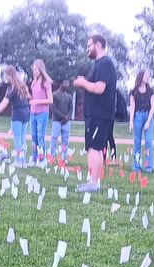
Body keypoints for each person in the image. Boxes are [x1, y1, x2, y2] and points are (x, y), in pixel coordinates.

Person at [72, 33, 116, 193]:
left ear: (98, 45)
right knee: (95, 148)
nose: (87, 49)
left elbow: (99, 88)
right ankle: (92, 181)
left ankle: (94, 183)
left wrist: (83, 82)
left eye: (89, 45)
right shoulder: (100, 64)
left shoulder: (104, 63)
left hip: (98, 114)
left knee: (93, 147)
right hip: (96, 113)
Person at [0, 65, 30, 167]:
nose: (5, 78)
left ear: (10, 75)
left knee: (17, 139)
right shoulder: (22, 86)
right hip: (26, 114)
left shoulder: (12, 88)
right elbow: (27, 98)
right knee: (22, 139)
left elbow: (4, 103)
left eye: (6, 75)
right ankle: (22, 161)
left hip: (18, 115)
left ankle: (18, 161)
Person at [129, 69, 154, 172]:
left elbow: (153, 107)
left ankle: (149, 167)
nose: (148, 77)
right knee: (137, 142)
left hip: (147, 116)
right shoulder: (134, 92)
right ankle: (136, 166)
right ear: (141, 76)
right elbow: (132, 107)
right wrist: (131, 121)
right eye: (146, 75)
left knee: (148, 141)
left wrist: (148, 121)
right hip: (137, 117)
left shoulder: (150, 91)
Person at [28, 59, 52, 167]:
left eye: (36, 68)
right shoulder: (33, 82)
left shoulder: (46, 83)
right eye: (33, 69)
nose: (34, 71)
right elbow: (33, 97)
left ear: (41, 69)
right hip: (33, 113)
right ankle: (34, 158)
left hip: (42, 113)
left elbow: (50, 100)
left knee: (40, 136)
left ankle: (42, 159)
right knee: (33, 136)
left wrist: (37, 101)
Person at [49, 80, 72, 162]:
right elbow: (53, 108)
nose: (67, 85)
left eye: (68, 83)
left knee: (65, 140)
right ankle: (52, 156)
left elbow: (71, 109)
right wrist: (63, 116)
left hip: (66, 122)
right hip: (56, 121)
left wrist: (67, 117)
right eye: (65, 83)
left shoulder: (69, 96)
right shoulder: (54, 94)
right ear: (60, 84)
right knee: (54, 138)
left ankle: (64, 157)